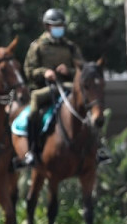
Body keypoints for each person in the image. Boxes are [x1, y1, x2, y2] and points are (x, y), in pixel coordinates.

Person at [20, 8, 85, 167]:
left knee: (89, 105)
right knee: (33, 109)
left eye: (61, 25)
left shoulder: (71, 47)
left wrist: (68, 71)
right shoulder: (37, 46)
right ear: (47, 27)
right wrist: (45, 73)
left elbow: (83, 70)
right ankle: (32, 151)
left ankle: (98, 148)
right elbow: (29, 71)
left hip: (67, 86)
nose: (59, 28)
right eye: (55, 25)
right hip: (45, 88)